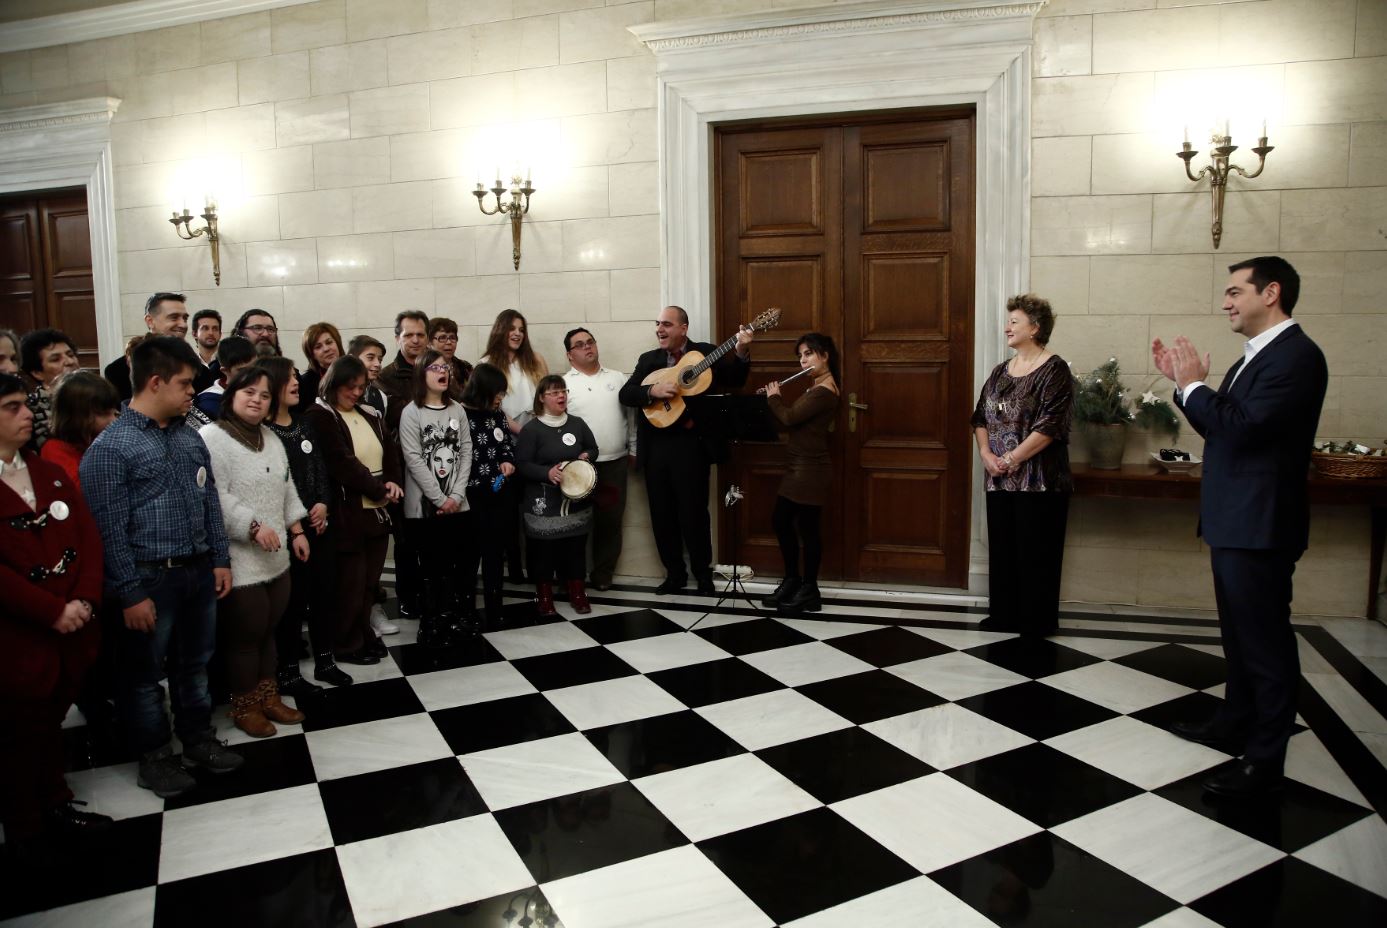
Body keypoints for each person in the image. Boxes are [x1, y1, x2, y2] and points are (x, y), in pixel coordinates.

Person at [1154, 256, 1328, 798]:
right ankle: (1233, 724)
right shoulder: (1257, 357)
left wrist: (1193, 386)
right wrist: (1186, 389)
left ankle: (1264, 760)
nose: (1226, 302)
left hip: (1261, 523)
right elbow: (1225, 426)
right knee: (1239, 637)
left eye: (1235, 291)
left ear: (1271, 292)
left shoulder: (1296, 357)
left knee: (1266, 644)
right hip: (1238, 520)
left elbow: (1243, 428)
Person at [80, 336, 242, 799]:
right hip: (149, 578)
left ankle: (198, 741)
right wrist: (129, 592)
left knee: (195, 666)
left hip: (195, 571)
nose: (194, 391)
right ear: (155, 382)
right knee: (144, 678)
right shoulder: (112, 448)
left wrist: (218, 559)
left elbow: (208, 499)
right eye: (186, 383)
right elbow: (107, 530)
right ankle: (154, 758)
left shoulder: (189, 435)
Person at [0, 372, 108, 849]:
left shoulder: (48, 472)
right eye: (12, 407)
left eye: (26, 404)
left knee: (49, 722)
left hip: (72, 621)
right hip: (20, 632)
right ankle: (25, 824)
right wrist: (51, 610)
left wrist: (84, 599)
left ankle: (56, 800)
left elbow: (86, 538)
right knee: (18, 731)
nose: (28, 414)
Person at [199, 367, 310, 737]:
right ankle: (244, 705)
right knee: (246, 638)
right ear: (230, 393)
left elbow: (286, 485)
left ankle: (269, 697)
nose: (257, 400)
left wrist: (296, 528)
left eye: (264, 395)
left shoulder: (271, 438)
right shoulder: (212, 438)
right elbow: (214, 497)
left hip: (277, 556)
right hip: (239, 558)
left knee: (268, 633)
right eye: (249, 392)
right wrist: (251, 525)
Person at [619, 305, 753, 595]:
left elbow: (735, 380)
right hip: (656, 448)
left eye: (666, 324)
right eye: (658, 324)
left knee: (694, 514)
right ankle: (674, 574)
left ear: (683, 328)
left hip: (692, 447)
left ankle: (702, 575)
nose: (660, 329)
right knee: (662, 514)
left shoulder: (704, 353)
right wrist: (651, 392)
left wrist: (741, 351)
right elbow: (626, 394)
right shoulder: (648, 360)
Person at [970, 294, 1073, 638]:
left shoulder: (1054, 369)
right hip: (999, 478)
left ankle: (1036, 621)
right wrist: (987, 455)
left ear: (1036, 327)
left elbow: (1051, 426)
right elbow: (979, 418)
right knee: (1004, 549)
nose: (1007, 327)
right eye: (1008, 321)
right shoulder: (1000, 371)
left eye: (1014, 321)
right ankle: (1004, 614)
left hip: (1041, 481)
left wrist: (1013, 458)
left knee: (1036, 552)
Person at [304, 356, 404, 666]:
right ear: (334, 383)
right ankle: (346, 642)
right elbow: (341, 463)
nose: (357, 393)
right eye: (351, 387)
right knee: (350, 582)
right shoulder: (320, 415)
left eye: (362, 387)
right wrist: (379, 490)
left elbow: (389, 451)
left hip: (377, 509)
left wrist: (392, 483)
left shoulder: (368, 413)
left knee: (369, 583)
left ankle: (363, 634)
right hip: (348, 511)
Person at [259, 356, 345, 691]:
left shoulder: (304, 422)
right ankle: (289, 671)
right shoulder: (264, 433)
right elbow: (277, 484)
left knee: (325, 595)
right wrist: (297, 523)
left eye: (297, 377)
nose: (296, 383)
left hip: (319, 525)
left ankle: (326, 662)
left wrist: (323, 504)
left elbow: (320, 469)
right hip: (287, 531)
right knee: (292, 603)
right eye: (289, 378)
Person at [760, 333, 841, 614]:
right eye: (800, 356)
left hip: (810, 469)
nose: (803, 360)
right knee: (790, 524)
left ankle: (808, 587)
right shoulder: (816, 385)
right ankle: (795, 582)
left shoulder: (824, 390)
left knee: (798, 526)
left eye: (808, 354)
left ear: (825, 355)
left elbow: (789, 418)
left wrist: (773, 397)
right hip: (800, 465)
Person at [399, 349, 473, 645]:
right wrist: (439, 498)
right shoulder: (411, 412)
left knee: (455, 562)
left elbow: (466, 451)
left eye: (445, 367)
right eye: (435, 367)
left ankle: (452, 615)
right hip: (423, 507)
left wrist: (456, 494)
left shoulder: (458, 409)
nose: (443, 371)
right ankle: (430, 619)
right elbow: (413, 459)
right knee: (430, 564)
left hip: (458, 503)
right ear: (421, 374)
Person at [516, 374, 598, 616]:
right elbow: (522, 464)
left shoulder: (577, 423)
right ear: (542, 398)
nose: (561, 395)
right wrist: (546, 472)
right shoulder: (532, 430)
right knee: (544, 552)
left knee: (575, 548)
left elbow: (593, 448)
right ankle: (544, 596)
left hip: (574, 503)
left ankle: (578, 593)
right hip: (543, 502)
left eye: (563, 391)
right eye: (554, 392)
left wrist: (586, 456)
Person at [562, 327, 636, 591]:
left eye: (590, 342)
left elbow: (631, 418)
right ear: (570, 355)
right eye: (580, 345)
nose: (587, 347)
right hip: (578, 466)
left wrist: (634, 449)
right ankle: (573, 576)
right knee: (576, 523)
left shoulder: (617, 378)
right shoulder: (564, 384)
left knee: (610, 521)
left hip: (615, 461)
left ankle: (603, 574)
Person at [481, 309, 547, 582]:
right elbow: (488, 405)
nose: (518, 333)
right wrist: (518, 429)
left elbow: (545, 396)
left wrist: (536, 431)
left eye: (521, 328)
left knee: (534, 506)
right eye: (512, 328)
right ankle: (514, 566)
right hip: (504, 441)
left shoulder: (535, 360)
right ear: (501, 330)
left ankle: (537, 568)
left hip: (534, 440)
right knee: (507, 509)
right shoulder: (486, 363)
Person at [378, 310, 431, 621]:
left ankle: (433, 592)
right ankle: (408, 597)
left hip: (438, 468)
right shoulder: (385, 377)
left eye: (420, 335)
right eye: (408, 335)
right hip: (404, 470)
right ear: (397, 337)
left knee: (433, 537)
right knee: (407, 539)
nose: (415, 340)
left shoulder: (438, 369)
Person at [459, 363, 516, 630]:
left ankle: (496, 608)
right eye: (497, 393)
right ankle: (466, 610)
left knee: (495, 553)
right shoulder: (459, 414)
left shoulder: (498, 414)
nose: (500, 398)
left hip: (498, 492)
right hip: (470, 496)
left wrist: (507, 461)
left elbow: (505, 444)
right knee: (469, 555)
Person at [104, 293, 213, 400]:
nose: (183, 325)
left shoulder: (201, 373)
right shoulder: (117, 371)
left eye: (184, 318)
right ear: (150, 321)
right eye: (174, 318)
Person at [40, 371, 121, 488]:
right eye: (103, 414)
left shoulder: (101, 439)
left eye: (115, 413)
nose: (114, 420)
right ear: (76, 416)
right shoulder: (54, 449)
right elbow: (84, 492)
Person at [19, 328, 81, 449]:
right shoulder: (33, 409)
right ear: (37, 373)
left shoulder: (93, 394)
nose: (69, 362)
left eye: (70, 355)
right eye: (55, 359)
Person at [189, 335, 257, 428]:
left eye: (255, 368)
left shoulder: (262, 394)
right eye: (242, 371)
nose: (252, 374)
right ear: (225, 371)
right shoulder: (208, 403)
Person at [299, 321, 343, 406]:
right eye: (318, 347)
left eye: (329, 342)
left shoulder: (354, 372)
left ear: (338, 343)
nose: (326, 349)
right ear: (312, 355)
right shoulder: (305, 384)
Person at [348, 334, 389, 420]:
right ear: (352, 359)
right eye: (370, 358)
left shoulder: (381, 397)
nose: (378, 364)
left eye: (380, 360)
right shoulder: (338, 393)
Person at [192, 309, 222, 375]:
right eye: (205, 328)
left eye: (215, 329)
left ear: (220, 334)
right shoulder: (190, 365)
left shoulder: (229, 363)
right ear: (194, 334)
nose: (211, 333)